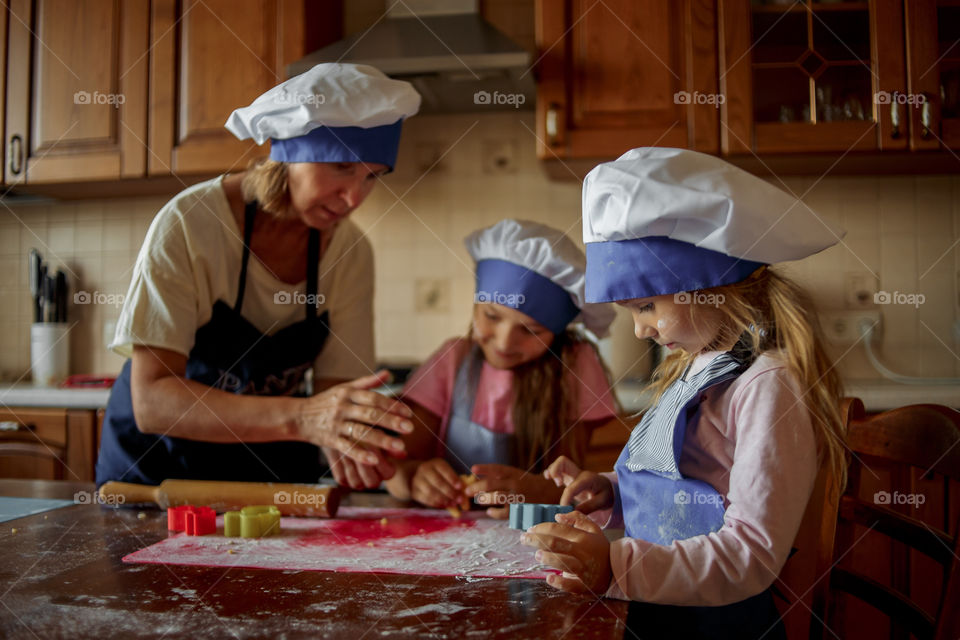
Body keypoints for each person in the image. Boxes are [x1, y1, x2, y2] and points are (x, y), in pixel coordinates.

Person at [521, 148, 848, 639]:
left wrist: (613, 565)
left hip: (717, 626)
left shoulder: (767, 385)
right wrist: (613, 488)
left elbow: (752, 553)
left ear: (711, 285)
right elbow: (693, 485)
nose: (639, 331)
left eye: (646, 305)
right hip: (658, 612)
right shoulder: (697, 366)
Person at [95, 64, 421, 489]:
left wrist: (353, 443)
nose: (355, 197)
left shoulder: (351, 253)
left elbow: (335, 397)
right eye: (341, 166)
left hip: (262, 472)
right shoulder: (191, 224)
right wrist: (305, 418)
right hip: (156, 475)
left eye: (373, 176)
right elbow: (152, 400)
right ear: (289, 154)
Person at [384, 219, 619, 517]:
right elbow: (396, 469)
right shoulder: (453, 360)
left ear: (558, 332)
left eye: (531, 331)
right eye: (492, 317)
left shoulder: (576, 365)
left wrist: (540, 491)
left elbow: (574, 483)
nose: (505, 343)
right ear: (475, 306)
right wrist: (415, 477)